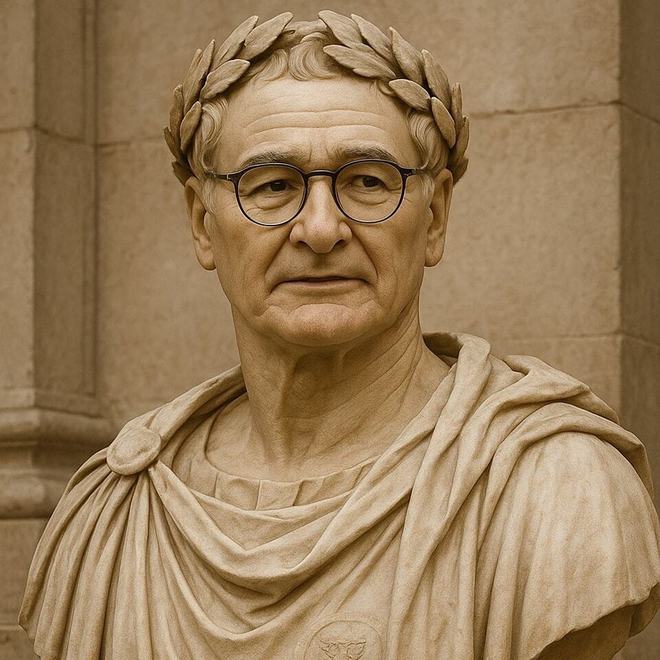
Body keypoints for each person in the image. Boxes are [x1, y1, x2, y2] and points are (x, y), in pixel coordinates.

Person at [19, 10, 660, 659]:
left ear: (435, 216)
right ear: (201, 223)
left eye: (367, 182)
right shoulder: (113, 514)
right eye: (272, 186)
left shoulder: (556, 492)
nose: (321, 229)